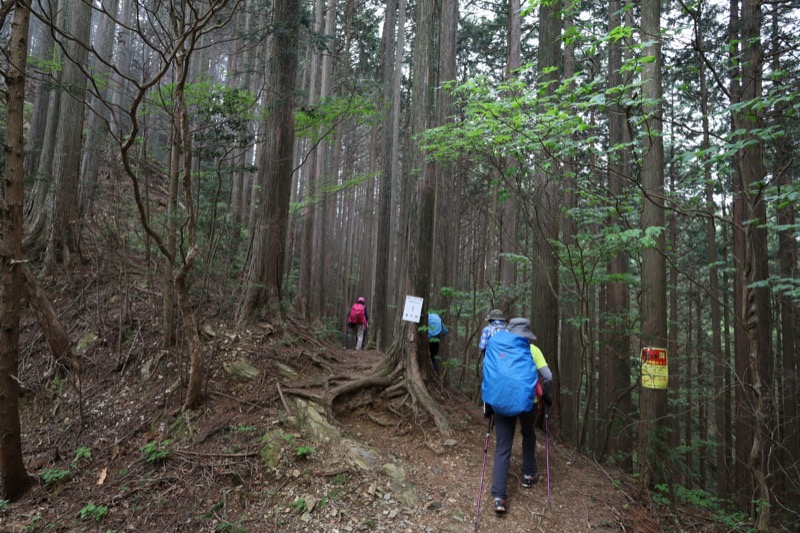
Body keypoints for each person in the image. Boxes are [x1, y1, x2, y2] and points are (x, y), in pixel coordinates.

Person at [487, 317, 553, 514]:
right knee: (528, 433)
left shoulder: (498, 348)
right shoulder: (533, 350)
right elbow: (548, 376)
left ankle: (499, 496)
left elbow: (489, 373)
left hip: (501, 402)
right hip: (527, 403)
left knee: (503, 446)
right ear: (527, 335)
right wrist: (547, 398)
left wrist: (489, 404)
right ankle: (528, 474)